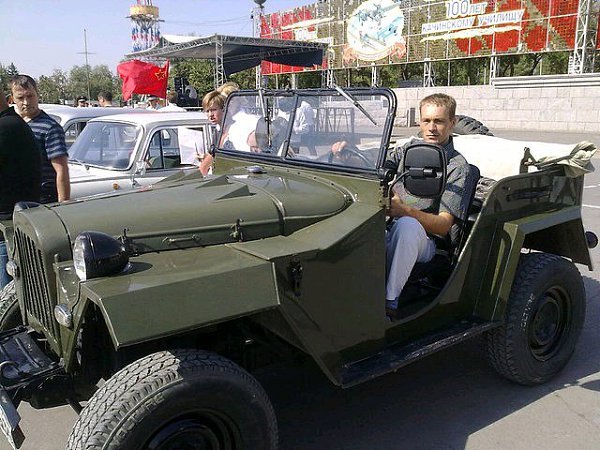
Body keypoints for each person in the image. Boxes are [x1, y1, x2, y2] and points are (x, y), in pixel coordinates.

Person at [385, 93, 470, 319]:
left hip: (427, 242)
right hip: (389, 225)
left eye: (439, 121)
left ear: (452, 123)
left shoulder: (458, 167)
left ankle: (389, 301)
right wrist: (346, 154)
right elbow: (381, 162)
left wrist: (405, 211)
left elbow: (443, 226)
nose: (431, 128)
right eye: (426, 121)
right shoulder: (408, 149)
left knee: (407, 227)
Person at [0, 92, 41, 289]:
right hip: (13, 224)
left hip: (8, 230)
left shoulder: (6, 127)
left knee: (8, 296)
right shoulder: (12, 123)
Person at [11, 75, 71, 203]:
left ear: (37, 95)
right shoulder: (13, 125)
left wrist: (63, 204)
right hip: (19, 196)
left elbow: (61, 170)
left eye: (30, 96)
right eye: (20, 98)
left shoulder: (50, 127)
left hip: (44, 198)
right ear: (12, 99)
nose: (26, 102)